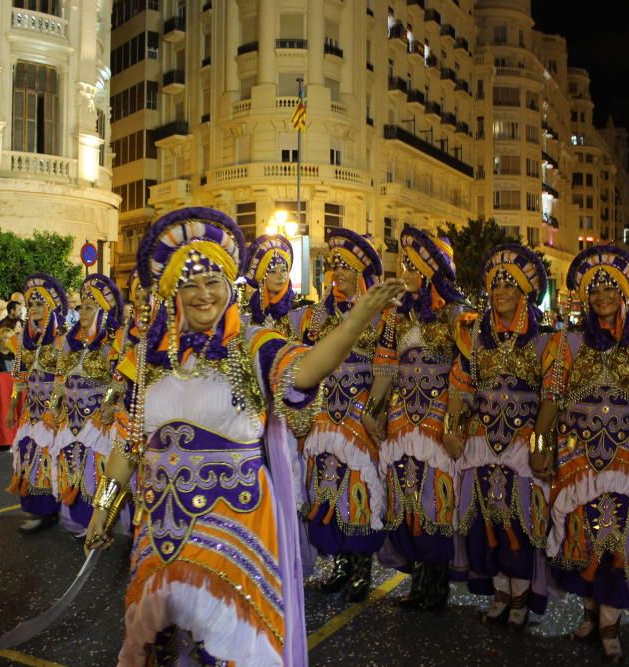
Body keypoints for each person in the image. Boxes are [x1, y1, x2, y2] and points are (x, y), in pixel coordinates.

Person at [83, 207, 404, 666]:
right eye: (189, 284)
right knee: (160, 645)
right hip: (160, 533)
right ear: (171, 291)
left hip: (235, 535)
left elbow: (308, 369)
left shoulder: (252, 346)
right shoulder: (145, 360)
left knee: (228, 649)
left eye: (213, 282)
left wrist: (357, 321)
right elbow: (129, 443)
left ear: (230, 288)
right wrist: (104, 507)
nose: (202, 295)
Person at [530, 246, 629, 664]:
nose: (602, 296)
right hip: (576, 459)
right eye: (594, 290)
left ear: (626, 294)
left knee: (618, 539)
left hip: (625, 460)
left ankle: (610, 623)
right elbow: (551, 399)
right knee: (581, 539)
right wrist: (540, 445)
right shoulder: (565, 343)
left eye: (610, 288)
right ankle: (590, 613)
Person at [364, 225, 470, 612]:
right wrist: (372, 411)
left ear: (432, 269)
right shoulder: (394, 317)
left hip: (436, 424)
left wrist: (453, 425)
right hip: (400, 421)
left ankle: (437, 585)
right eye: (403, 264)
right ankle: (419, 583)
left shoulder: (457, 315)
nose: (404, 271)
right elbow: (384, 366)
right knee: (405, 500)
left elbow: (464, 373)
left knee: (435, 502)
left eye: (411, 265)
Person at [448, 244, 551, 627]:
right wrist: (451, 429)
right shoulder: (474, 338)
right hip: (480, 442)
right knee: (484, 521)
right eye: (496, 286)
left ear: (524, 292)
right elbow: (460, 387)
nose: (501, 292)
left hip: (522, 445)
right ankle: (499, 590)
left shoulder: (546, 340)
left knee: (520, 522)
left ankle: (521, 595)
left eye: (510, 285)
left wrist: (541, 448)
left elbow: (551, 401)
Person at [298, 229, 386, 602]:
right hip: (324, 416)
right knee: (327, 490)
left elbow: (386, 367)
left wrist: (371, 411)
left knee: (359, 492)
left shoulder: (379, 315)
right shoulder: (315, 315)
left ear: (360, 274)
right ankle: (339, 567)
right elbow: (302, 360)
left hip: (357, 414)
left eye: (346, 270)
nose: (339, 275)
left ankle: (361, 571)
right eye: (335, 268)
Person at [49, 274, 123, 534]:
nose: (82, 311)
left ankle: (100, 523)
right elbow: (60, 376)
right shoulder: (69, 341)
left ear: (102, 310)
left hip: (97, 422)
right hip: (71, 418)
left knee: (97, 470)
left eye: (89, 307)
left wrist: (108, 407)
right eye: (81, 306)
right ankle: (79, 521)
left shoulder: (113, 340)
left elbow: (119, 378)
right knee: (72, 465)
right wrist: (55, 404)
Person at [6, 274, 68, 533]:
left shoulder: (61, 339)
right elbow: (19, 378)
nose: (34, 309)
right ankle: (36, 509)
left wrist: (54, 408)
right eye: (31, 304)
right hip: (30, 411)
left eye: (39, 304)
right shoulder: (24, 341)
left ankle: (51, 510)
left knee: (49, 458)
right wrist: (12, 406)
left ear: (50, 307)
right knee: (27, 457)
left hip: (52, 411)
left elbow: (63, 377)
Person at [244, 234, 306, 338]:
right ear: (261, 277)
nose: (280, 276)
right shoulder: (248, 315)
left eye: (284, 270)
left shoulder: (302, 312)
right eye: (273, 271)